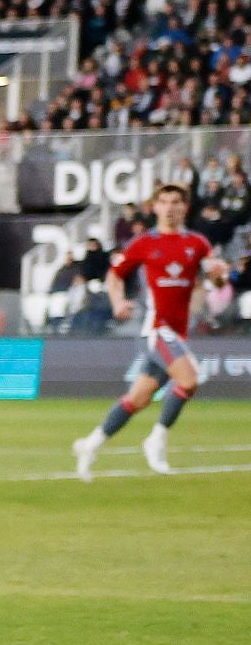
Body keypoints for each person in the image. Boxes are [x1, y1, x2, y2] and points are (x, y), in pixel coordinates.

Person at [72, 183, 229, 479]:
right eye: (164, 202)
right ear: (155, 207)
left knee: (137, 399)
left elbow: (214, 280)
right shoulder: (144, 243)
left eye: (175, 202)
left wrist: (219, 276)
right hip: (156, 330)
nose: (170, 207)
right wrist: (118, 301)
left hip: (178, 333)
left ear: (185, 207)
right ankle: (156, 439)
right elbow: (114, 275)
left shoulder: (197, 243)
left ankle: (90, 444)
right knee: (190, 379)